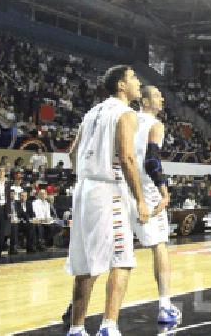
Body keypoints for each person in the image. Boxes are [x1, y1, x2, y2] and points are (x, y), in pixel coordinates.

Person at [62, 65, 148, 336]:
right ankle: (109, 327)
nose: (138, 82)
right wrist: (140, 199)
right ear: (121, 85)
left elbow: (73, 153)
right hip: (108, 190)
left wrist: (89, 171)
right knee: (121, 259)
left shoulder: (92, 112)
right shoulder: (126, 113)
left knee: (86, 263)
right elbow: (127, 158)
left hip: (84, 189)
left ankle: (76, 329)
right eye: (133, 77)